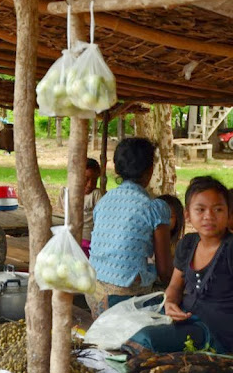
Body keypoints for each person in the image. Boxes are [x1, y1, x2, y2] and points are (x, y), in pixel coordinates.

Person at [124, 177, 233, 354]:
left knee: (146, 339)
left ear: (228, 214)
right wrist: (171, 303)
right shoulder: (188, 243)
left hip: (216, 333)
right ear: (188, 215)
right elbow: (175, 285)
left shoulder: (229, 249)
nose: (209, 216)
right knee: (124, 319)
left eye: (218, 209)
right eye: (200, 209)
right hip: (185, 319)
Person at [86, 137, 172, 319]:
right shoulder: (155, 208)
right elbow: (165, 271)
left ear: (116, 169)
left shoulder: (104, 201)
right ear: (150, 170)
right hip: (124, 297)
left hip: (93, 292)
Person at [59, 158, 103, 257]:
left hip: (88, 240)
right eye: (86, 179)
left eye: (95, 180)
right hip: (69, 237)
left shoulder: (95, 195)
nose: (90, 184)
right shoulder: (65, 192)